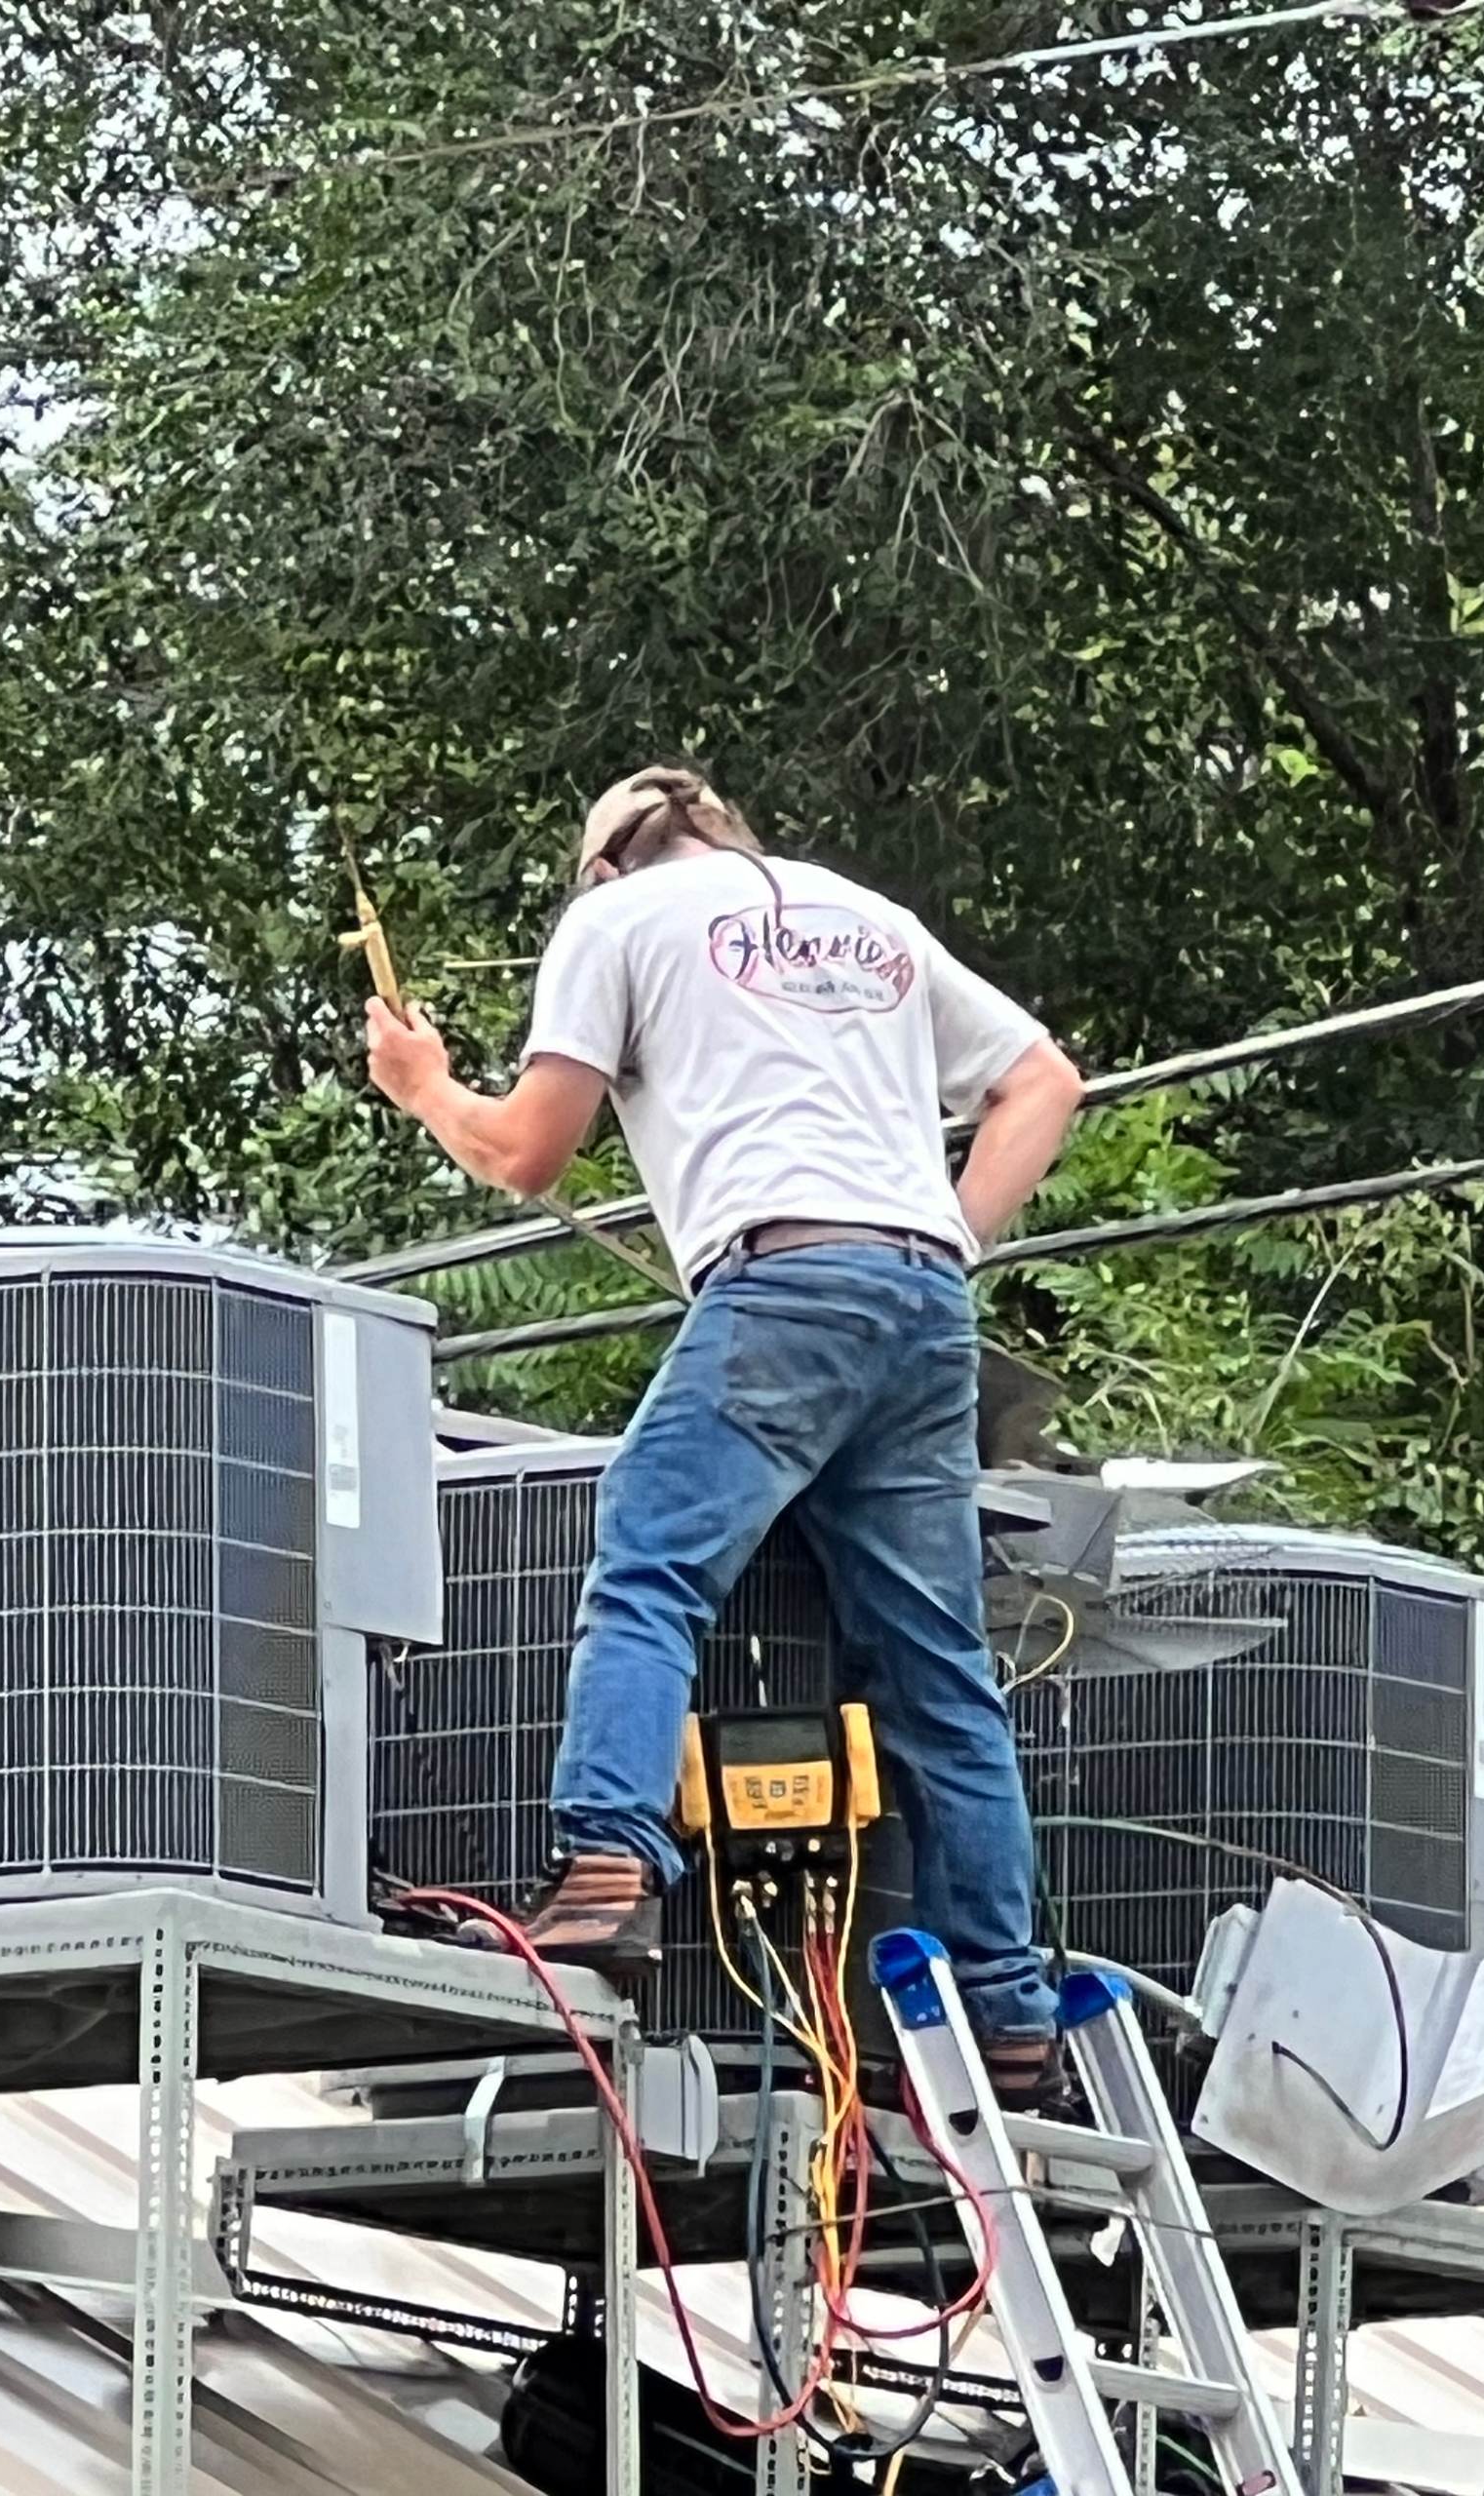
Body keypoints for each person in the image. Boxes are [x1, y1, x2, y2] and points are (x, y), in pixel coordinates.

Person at [366, 765, 1085, 2105]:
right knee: (938, 1670)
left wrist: (424, 1084)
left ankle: (606, 1864)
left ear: (600, 869)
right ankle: (1009, 2007)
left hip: (784, 1280)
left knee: (650, 1562)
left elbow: (529, 1152)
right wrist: (945, 1239)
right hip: (920, 1306)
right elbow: (1045, 1079)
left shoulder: (617, 925)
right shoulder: (865, 918)